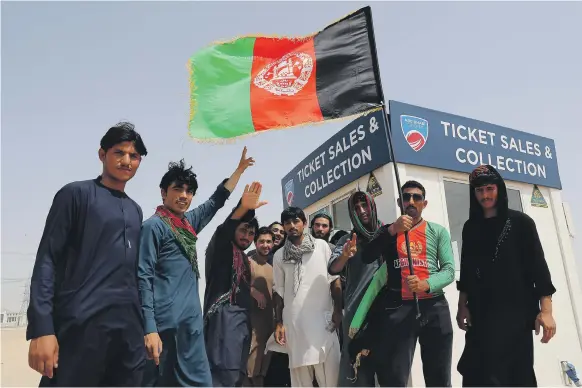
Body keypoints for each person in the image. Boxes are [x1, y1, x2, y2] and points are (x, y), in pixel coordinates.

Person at [27, 122, 148, 386]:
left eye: (134, 156)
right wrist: (42, 328)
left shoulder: (136, 211)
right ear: (102, 154)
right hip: (80, 328)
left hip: (128, 334)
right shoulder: (76, 194)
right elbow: (48, 260)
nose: (126, 161)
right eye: (119, 152)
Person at [138, 149, 254, 387]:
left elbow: (216, 201)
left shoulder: (189, 223)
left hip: (191, 324)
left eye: (189, 191)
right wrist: (149, 328)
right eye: (177, 189)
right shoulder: (153, 227)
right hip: (163, 326)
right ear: (163, 192)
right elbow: (143, 276)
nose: (184, 196)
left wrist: (239, 171)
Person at [456, 165, 557, 387]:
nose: (485, 195)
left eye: (489, 189)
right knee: (476, 375)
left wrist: (546, 311)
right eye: (479, 190)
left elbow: (539, 269)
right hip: (480, 317)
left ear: (499, 189)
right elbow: (467, 270)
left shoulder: (521, 223)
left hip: (515, 319)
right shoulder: (470, 227)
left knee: (516, 378)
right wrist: (462, 305)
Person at [360, 180, 456, 387]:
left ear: (425, 203)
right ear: (399, 202)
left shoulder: (438, 231)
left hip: (434, 307)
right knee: (394, 377)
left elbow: (449, 271)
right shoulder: (388, 231)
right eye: (406, 197)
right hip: (398, 307)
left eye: (416, 197)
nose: (411, 201)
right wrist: (392, 230)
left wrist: (426, 283)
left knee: (439, 377)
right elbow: (367, 256)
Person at [204, 182, 267, 387]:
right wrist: (242, 206)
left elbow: (239, 283)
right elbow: (225, 229)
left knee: (236, 379)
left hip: (240, 327)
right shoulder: (222, 248)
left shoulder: (242, 258)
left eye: (251, 234)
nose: (247, 237)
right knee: (223, 379)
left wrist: (252, 290)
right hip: (222, 327)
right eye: (243, 230)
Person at [272, 207, 342, 387]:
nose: (292, 226)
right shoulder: (280, 255)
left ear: (304, 223)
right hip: (295, 326)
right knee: (301, 382)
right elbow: (278, 291)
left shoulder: (322, 246)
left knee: (331, 381)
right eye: (287, 223)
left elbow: (334, 281)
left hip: (323, 322)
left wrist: (338, 312)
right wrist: (279, 322)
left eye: (296, 221)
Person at [327, 191, 384, 387]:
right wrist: (345, 255)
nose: (362, 211)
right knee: (357, 367)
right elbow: (333, 268)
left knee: (387, 365)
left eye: (365, 205)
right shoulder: (347, 240)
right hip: (357, 313)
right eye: (356, 208)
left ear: (372, 206)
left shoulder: (387, 233)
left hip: (386, 310)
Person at [245, 227, 276, 387]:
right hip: (252, 325)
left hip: (269, 326)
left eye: (269, 241)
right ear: (255, 243)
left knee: (261, 373)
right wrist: (253, 291)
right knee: (250, 372)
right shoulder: (247, 262)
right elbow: (235, 284)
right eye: (262, 241)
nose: (265, 245)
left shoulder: (273, 267)